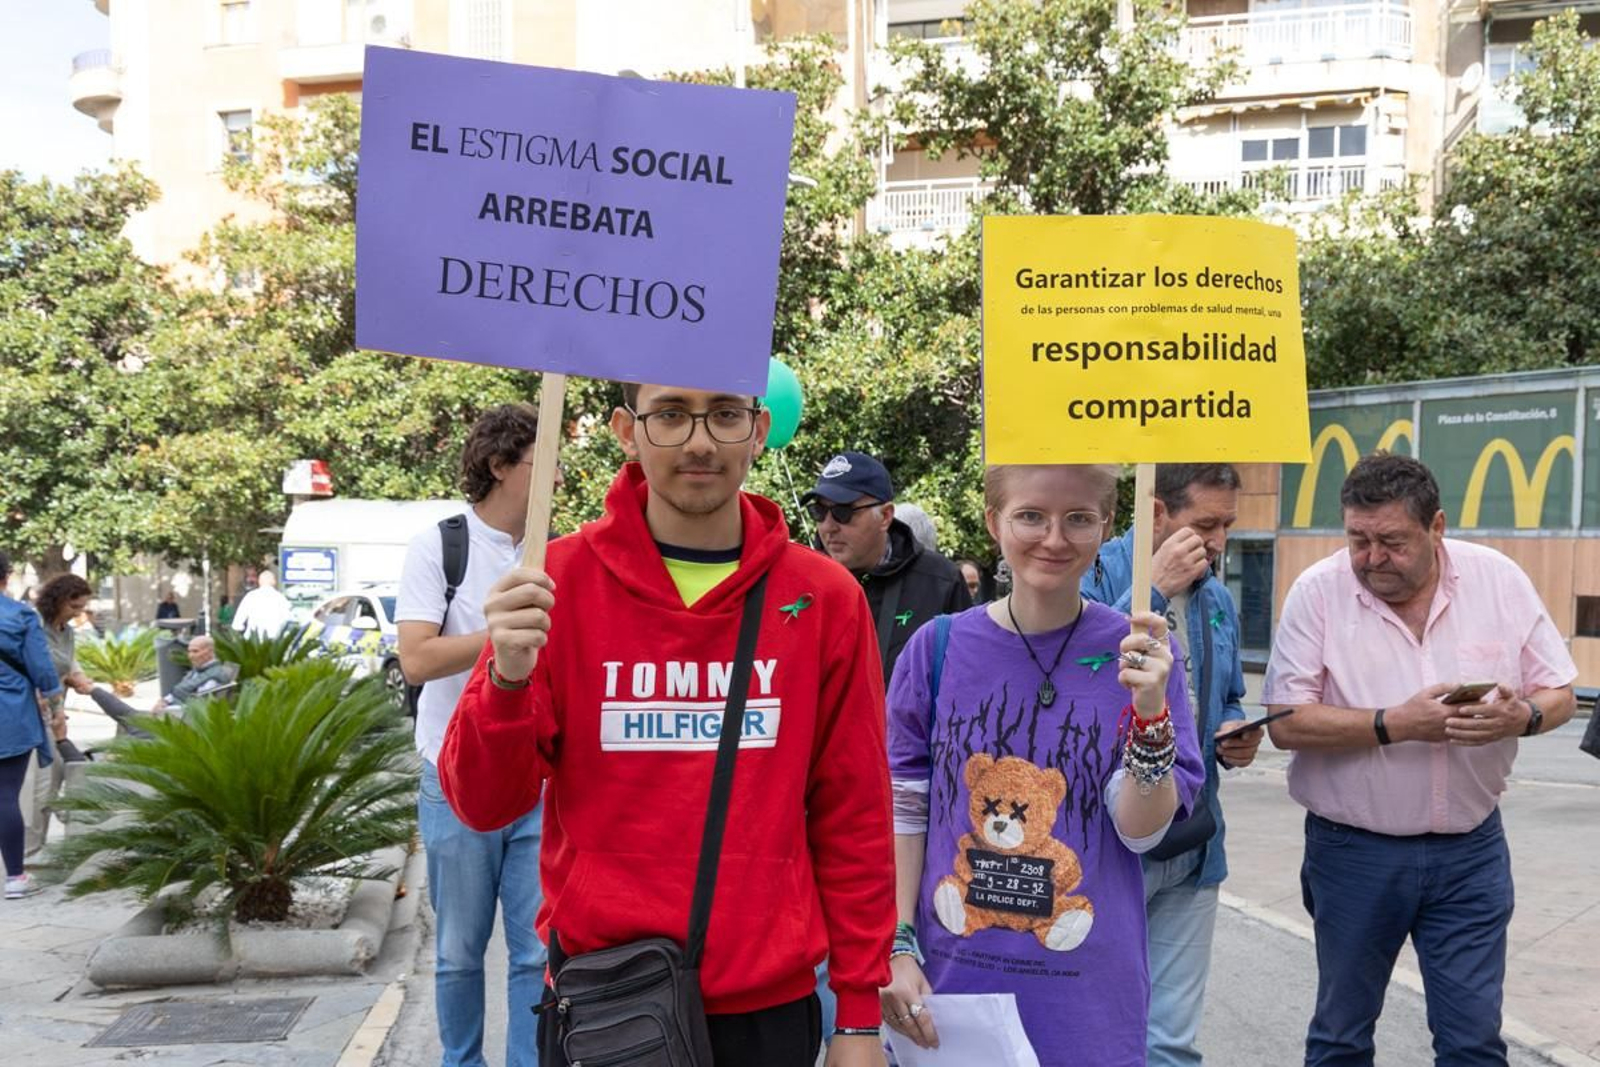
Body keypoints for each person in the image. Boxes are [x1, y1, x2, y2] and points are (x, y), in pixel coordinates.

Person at [439, 381, 897, 1067]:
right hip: (604, 1004)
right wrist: (506, 678)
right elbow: (483, 804)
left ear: (758, 428)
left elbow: (854, 815)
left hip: (765, 1013)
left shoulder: (824, 597)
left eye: (725, 414)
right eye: (672, 414)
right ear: (628, 430)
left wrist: (857, 1017)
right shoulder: (552, 583)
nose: (700, 440)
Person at [881, 464, 1204, 1067]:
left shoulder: (1143, 657)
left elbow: (1140, 831)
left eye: (1078, 518)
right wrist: (897, 942)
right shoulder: (935, 649)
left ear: (1106, 526)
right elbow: (904, 809)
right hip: (952, 986)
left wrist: (1151, 715)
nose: (1054, 539)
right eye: (1030, 515)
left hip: (1086, 1001)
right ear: (993, 521)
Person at [1263, 453, 1577, 1067]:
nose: (1372, 558)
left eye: (1392, 542)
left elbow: (1559, 692)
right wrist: (1394, 724)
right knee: (1341, 1037)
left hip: (1471, 852)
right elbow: (1284, 721)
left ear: (1436, 527)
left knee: (1473, 1043)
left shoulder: (1498, 579)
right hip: (1352, 853)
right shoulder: (1318, 592)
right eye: (1358, 539)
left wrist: (1523, 716)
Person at [1081, 463, 1264, 1067]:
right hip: (1106, 844)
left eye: (1227, 524)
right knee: (1094, 1027)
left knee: (1170, 1044)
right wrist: (1153, 589)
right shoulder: (1092, 567)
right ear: (1156, 513)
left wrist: (1234, 729)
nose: (1218, 540)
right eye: (1206, 524)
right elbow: (1075, 674)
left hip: (1193, 847)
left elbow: (1229, 694)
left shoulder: (1215, 595)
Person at [396, 403, 549, 1067]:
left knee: (536, 951)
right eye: (545, 461)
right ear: (500, 465)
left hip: (536, 775)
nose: (559, 476)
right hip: (453, 772)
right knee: (459, 950)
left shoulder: (555, 552)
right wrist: (502, 638)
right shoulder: (441, 545)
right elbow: (416, 659)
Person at [802, 451, 971, 684]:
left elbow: (967, 679)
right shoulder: (803, 583)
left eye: (843, 512)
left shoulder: (940, 581)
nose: (828, 527)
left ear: (885, 516)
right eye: (819, 512)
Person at [0, 552, 62, 900]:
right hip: (12, 715)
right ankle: (15, 878)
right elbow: (42, 669)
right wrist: (56, 708)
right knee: (5, 795)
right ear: (7, 575)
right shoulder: (20, 615)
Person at [25, 575, 95, 853]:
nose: (78, 613)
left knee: (54, 774)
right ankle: (29, 848)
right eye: (74, 607)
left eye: (82, 608)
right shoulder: (32, 624)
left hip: (55, 711)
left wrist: (80, 679)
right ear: (57, 600)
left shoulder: (67, 632)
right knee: (42, 779)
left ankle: (37, 843)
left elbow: (69, 664)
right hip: (30, 711)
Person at [88, 634, 234, 737]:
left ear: (209, 652)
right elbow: (182, 691)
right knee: (128, 719)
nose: (190, 656)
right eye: (189, 651)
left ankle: (95, 691)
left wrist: (167, 709)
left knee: (131, 719)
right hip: (173, 712)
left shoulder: (214, 676)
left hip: (181, 719)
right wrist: (164, 700)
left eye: (195, 651)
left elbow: (199, 704)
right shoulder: (198, 670)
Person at [231, 571, 293, 638]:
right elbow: (289, 621)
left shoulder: (251, 596)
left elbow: (237, 623)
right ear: (274, 582)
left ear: (259, 581)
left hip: (253, 641)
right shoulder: (281, 599)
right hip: (276, 640)